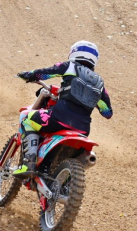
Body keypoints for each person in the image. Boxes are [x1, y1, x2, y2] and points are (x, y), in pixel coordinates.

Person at [14, 40, 113, 178]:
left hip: (58, 119)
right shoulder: (100, 83)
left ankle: (29, 164)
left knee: (26, 119)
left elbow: (46, 73)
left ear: (74, 53)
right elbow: (107, 112)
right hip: (83, 130)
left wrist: (29, 75)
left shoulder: (70, 66)